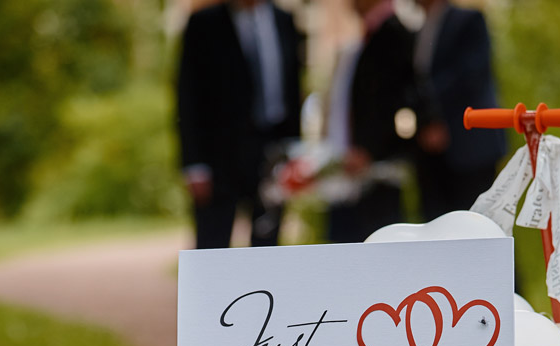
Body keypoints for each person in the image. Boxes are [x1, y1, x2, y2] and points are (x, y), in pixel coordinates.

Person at [176, 0, 302, 249]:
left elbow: (293, 88)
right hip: (219, 157)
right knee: (213, 243)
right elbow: (188, 95)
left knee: (268, 243)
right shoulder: (203, 23)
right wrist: (194, 164)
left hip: (273, 152)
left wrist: (294, 150)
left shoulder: (284, 20)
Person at [327, 0, 415, 243]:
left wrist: (369, 148)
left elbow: (394, 100)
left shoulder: (393, 35)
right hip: (356, 168)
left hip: (376, 169)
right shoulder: (365, 41)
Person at [413, 0, 507, 221]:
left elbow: (470, 76)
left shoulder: (468, 20)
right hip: (432, 155)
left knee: (480, 226)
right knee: (438, 227)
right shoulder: (420, 31)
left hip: (469, 145)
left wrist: (436, 118)